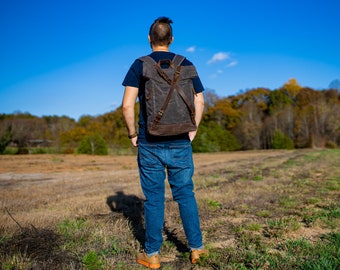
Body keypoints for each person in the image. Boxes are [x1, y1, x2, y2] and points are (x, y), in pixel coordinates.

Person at [122, 17, 207, 269]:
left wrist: (132, 135)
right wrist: (193, 129)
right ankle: (197, 250)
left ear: (149, 39)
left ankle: (153, 255)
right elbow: (200, 100)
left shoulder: (140, 65)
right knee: (185, 194)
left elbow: (127, 105)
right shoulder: (186, 63)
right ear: (171, 39)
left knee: (154, 199)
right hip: (181, 140)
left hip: (150, 142)